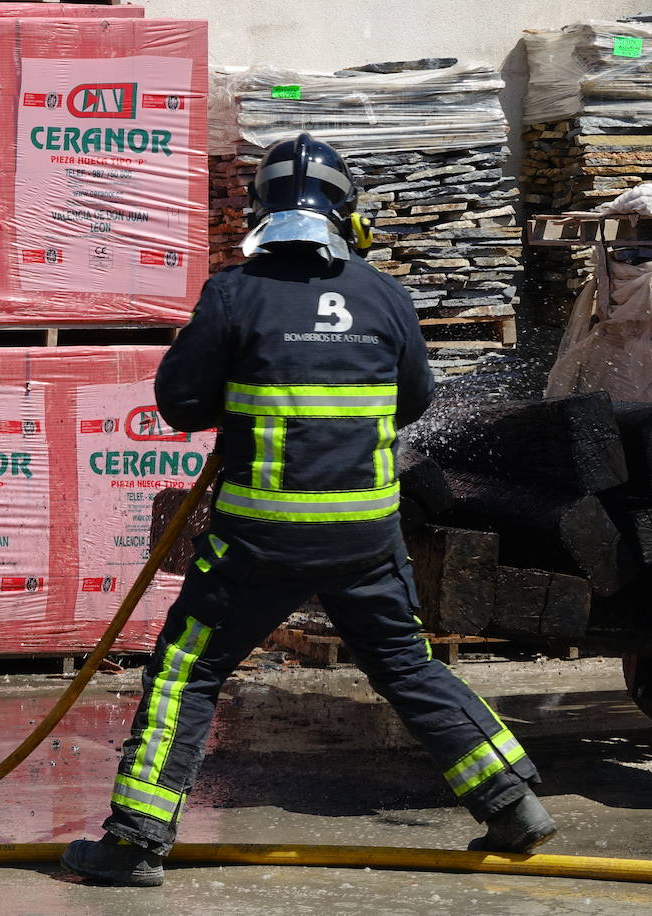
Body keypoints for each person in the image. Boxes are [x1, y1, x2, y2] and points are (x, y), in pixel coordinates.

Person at [61, 134, 555, 887]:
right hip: (364, 536)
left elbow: (177, 404)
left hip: (260, 539)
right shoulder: (384, 295)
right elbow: (415, 400)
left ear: (261, 210)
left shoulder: (233, 294)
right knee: (403, 664)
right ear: (346, 213)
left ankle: (134, 842)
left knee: (187, 674)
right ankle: (510, 801)